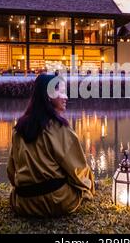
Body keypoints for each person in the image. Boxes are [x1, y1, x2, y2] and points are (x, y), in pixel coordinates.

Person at [7, 73, 95, 217]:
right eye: (61, 92)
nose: (66, 97)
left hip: (23, 203)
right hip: (56, 200)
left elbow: (11, 171)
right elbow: (77, 170)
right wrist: (89, 183)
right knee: (85, 178)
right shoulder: (60, 128)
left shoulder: (19, 128)